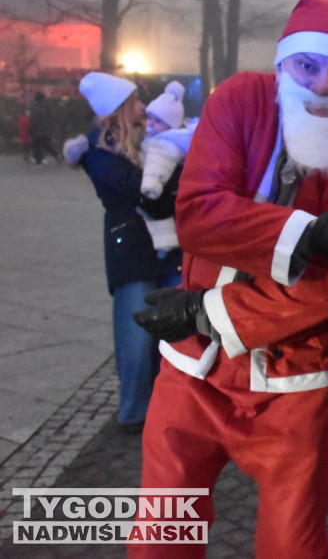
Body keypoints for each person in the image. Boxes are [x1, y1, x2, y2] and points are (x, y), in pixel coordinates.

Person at [128, 0, 328, 558]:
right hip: (193, 371)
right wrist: (313, 234)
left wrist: (205, 311)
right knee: (161, 534)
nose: (322, 86)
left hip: (295, 380)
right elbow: (199, 215)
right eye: (307, 65)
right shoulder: (240, 99)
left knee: (292, 544)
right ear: (282, 64)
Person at [63, 73, 183, 434]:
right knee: (136, 337)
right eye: (134, 102)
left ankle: (168, 406)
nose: (143, 107)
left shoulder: (153, 139)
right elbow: (141, 191)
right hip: (130, 252)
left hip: (170, 247)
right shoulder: (97, 151)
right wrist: (171, 180)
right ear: (118, 109)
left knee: (174, 331)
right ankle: (134, 412)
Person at [138, 80, 195, 258]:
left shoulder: (166, 143)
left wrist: (150, 186)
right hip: (166, 194)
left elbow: (157, 166)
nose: (150, 124)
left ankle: (166, 244)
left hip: (158, 190)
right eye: (149, 118)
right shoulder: (154, 139)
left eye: (157, 121)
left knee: (159, 218)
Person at [28, 91, 60, 165]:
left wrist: (30, 128)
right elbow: (52, 117)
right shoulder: (47, 105)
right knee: (46, 144)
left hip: (37, 129)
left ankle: (38, 160)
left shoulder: (34, 106)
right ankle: (56, 155)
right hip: (46, 129)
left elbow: (33, 118)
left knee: (36, 145)